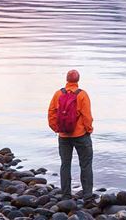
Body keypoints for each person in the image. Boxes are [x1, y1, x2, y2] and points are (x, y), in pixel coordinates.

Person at [48, 69, 94, 198]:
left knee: (65, 164)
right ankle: (87, 195)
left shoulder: (58, 94)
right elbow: (87, 117)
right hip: (80, 135)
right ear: (78, 80)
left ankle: (66, 195)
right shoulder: (82, 95)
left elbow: (51, 112)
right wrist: (89, 130)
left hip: (63, 136)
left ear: (67, 79)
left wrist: (56, 128)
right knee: (85, 165)